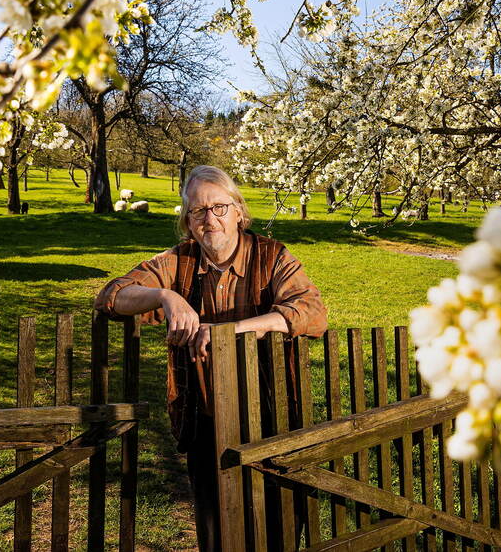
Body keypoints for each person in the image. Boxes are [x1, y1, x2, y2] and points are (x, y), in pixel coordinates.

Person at [94, 165, 327, 552]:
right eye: (199, 211)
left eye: (219, 207)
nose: (210, 219)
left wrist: (232, 331)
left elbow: (311, 310)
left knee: (279, 529)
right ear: (188, 221)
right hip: (204, 419)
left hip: (271, 416)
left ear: (239, 211)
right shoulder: (178, 262)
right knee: (216, 534)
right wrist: (165, 297)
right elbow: (111, 295)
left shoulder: (272, 256)